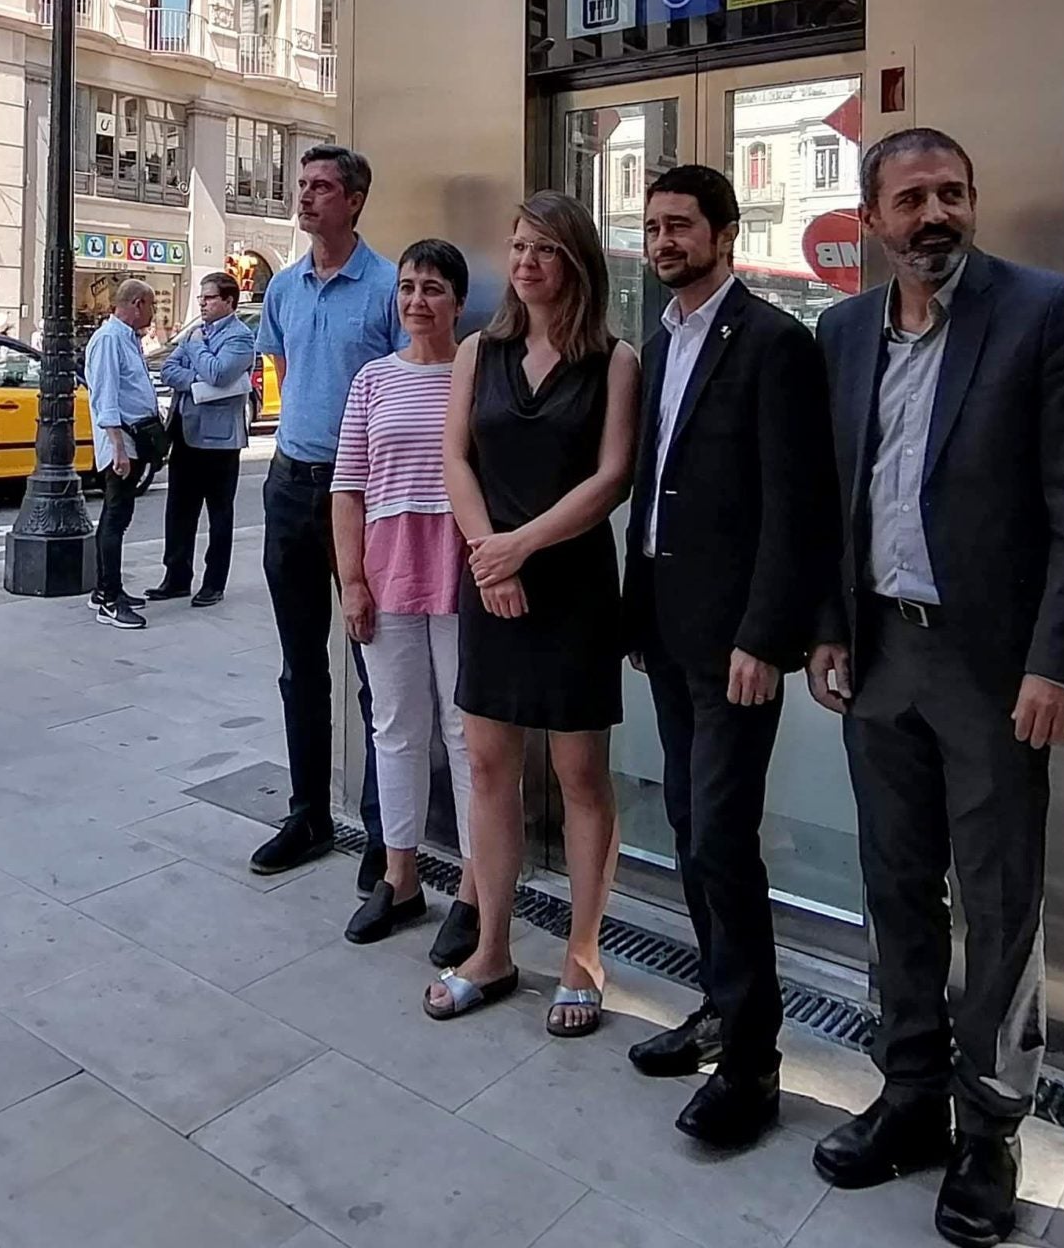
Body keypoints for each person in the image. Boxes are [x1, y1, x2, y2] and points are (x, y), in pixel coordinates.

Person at [804, 129, 1064, 1247]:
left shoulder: (1039, 313)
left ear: (973, 203)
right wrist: (828, 629)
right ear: (871, 220)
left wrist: (1056, 660)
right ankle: (906, 1099)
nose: (932, 213)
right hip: (879, 657)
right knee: (893, 889)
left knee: (995, 905)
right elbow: (830, 499)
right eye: (909, 198)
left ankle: (989, 1127)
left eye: (950, 193)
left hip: (993, 673)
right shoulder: (842, 333)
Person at [618, 164, 841, 1147]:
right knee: (683, 823)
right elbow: (657, 489)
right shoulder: (660, 345)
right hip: (667, 634)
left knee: (719, 839)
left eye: (680, 226)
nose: (664, 241)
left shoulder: (776, 343)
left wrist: (768, 636)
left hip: (736, 648)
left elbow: (797, 506)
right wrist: (636, 615)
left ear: (722, 232)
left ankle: (752, 1066)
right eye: (654, 226)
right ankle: (717, 1005)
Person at [427, 191, 639, 1037]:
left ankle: (584, 953)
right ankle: (493, 948)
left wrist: (522, 549)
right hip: (492, 583)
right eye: (517, 247)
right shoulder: (480, 349)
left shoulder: (614, 360)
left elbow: (611, 478)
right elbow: (454, 457)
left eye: (544, 249)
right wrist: (490, 555)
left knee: (581, 776)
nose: (525, 263)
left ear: (576, 262)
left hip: (574, 587)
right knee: (487, 769)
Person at [249, 146, 401, 884]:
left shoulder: (387, 289)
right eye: (302, 186)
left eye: (322, 187)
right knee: (298, 667)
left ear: (356, 200)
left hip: (364, 497)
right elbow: (286, 377)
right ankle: (308, 812)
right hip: (289, 488)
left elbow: (409, 388)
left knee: (378, 671)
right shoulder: (282, 289)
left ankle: (384, 833)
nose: (306, 197)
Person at [334, 240, 480, 964]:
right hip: (386, 571)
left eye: (432, 289)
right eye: (407, 288)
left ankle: (478, 891)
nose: (417, 302)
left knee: (466, 733)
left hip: (464, 570)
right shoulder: (373, 381)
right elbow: (348, 487)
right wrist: (352, 580)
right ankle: (400, 875)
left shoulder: (478, 374)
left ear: (457, 299)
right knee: (394, 727)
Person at [150, 273, 256, 609]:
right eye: (201, 298)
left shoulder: (239, 337)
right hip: (185, 433)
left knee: (219, 515)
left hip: (220, 442)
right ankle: (176, 577)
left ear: (228, 301)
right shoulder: (198, 331)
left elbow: (220, 373)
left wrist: (196, 352)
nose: (202, 304)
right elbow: (169, 369)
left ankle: (214, 583)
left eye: (208, 298)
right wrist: (197, 381)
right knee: (179, 511)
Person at [84, 278, 159, 630]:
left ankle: (105, 589)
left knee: (121, 515)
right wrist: (117, 447)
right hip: (121, 442)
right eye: (152, 305)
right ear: (137, 304)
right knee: (115, 518)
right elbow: (106, 396)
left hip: (131, 439)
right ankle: (110, 600)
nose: (154, 313)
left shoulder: (128, 339)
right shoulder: (110, 340)